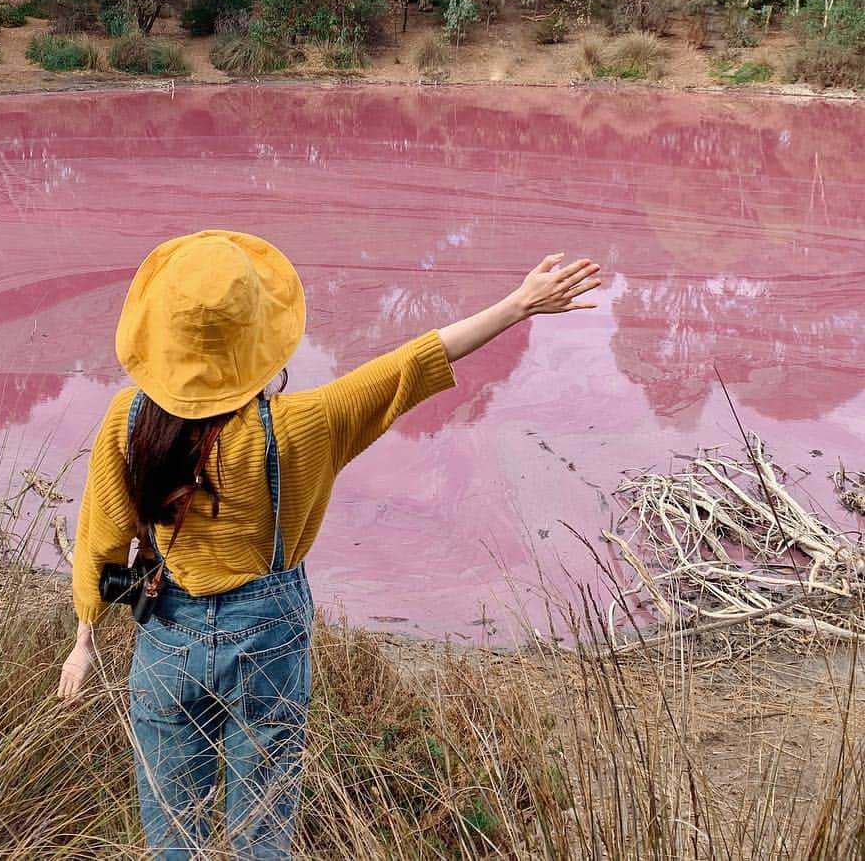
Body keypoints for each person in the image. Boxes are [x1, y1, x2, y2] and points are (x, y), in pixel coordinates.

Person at [57, 229, 599, 858]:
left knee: (174, 831)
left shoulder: (129, 421)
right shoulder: (303, 425)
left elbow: (100, 542)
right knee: (264, 827)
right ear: (260, 338)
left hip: (166, 641)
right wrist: (519, 304)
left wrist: (84, 638)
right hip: (267, 639)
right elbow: (410, 364)